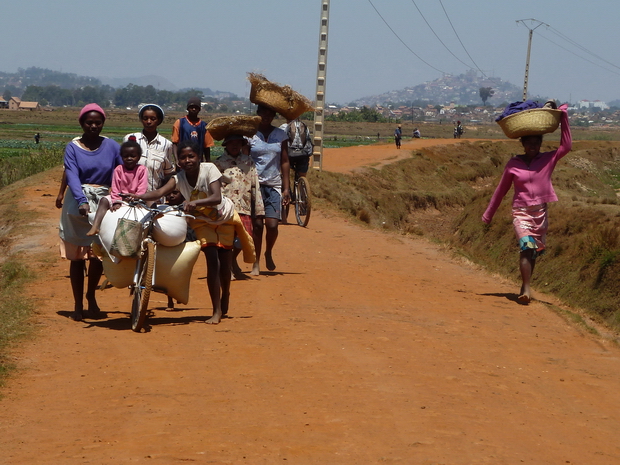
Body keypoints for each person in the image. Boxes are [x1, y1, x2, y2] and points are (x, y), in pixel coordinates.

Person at [124, 140, 255, 324]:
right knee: (212, 261)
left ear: (199, 157)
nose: (187, 160)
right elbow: (159, 191)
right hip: (203, 222)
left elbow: (216, 197)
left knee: (225, 265)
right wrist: (138, 196)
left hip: (224, 218)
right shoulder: (179, 178)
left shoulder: (209, 169)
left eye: (191, 156)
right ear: (178, 162)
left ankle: (225, 294)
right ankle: (216, 310)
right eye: (183, 158)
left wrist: (194, 203)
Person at [482, 104, 572, 304]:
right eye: (529, 143)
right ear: (523, 144)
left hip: (540, 213)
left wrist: (564, 117)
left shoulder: (549, 159)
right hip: (521, 212)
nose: (533, 146)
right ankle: (527, 289)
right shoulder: (514, 164)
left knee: (534, 251)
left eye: (536, 143)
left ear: (540, 144)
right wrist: (488, 214)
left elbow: (566, 146)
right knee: (526, 246)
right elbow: (501, 190)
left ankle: (525, 284)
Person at [58, 103, 122, 321]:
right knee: (77, 258)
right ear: (81, 123)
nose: (93, 126)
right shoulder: (73, 147)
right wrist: (81, 200)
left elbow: (121, 173)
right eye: (89, 122)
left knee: (97, 256)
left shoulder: (112, 146)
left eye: (98, 122)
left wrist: (118, 197)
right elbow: (72, 175)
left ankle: (91, 296)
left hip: (104, 202)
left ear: (103, 123)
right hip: (77, 203)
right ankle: (77, 304)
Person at [214, 134, 264, 278]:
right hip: (226, 208)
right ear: (225, 144)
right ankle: (228, 268)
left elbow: (255, 185)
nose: (234, 146)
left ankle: (232, 261)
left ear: (242, 145)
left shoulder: (248, 162)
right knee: (227, 238)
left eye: (238, 143)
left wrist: (259, 208)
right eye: (231, 143)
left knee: (244, 238)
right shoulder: (219, 164)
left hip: (244, 206)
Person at [249, 104, 290, 275]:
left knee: (272, 225)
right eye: (262, 113)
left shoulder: (280, 135)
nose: (266, 116)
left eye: (269, 114)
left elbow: (285, 161)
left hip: (274, 184)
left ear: (274, 115)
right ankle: (256, 261)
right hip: (255, 185)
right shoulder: (250, 134)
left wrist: (287, 188)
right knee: (257, 225)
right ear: (257, 114)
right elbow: (244, 157)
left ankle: (268, 252)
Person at [86, 139, 148, 236]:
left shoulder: (142, 169)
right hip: (120, 197)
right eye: (126, 156)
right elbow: (115, 187)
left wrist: (137, 199)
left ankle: (152, 228)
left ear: (139, 157)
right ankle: (95, 226)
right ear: (122, 157)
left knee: (152, 201)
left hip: (136, 198)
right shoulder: (119, 169)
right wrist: (117, 201)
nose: (129, 158)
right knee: (103, 201)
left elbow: (142, 187)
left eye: (133, 156)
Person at [123, 104, 175, 192]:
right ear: (141, 120)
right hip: (131, 194)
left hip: (154, 195)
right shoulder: (130, 139)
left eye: (153, 119)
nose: (149, 121)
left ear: (159, 121)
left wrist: (162, 193)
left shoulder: (166, 144)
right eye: (145, 118)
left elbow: (168, 173)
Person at [280, 117, 313, 223]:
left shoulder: (283, 127)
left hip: (289, 155)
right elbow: (308, 141)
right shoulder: (304, 126)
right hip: (303, 155)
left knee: (285, 175)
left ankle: (287, 192)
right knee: (302, 177)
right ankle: (303, 201)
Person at [171, 97, 215, 162]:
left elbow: (207, 146)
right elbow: (175, 143)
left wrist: (208, 161)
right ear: (188, 108)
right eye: (191, 107)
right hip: (183, 161)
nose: (194, 109)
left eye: (196, 107)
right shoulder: (180, 123)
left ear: (199, 109)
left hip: (198, 161)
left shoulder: (204, 126)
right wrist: (177, 160)